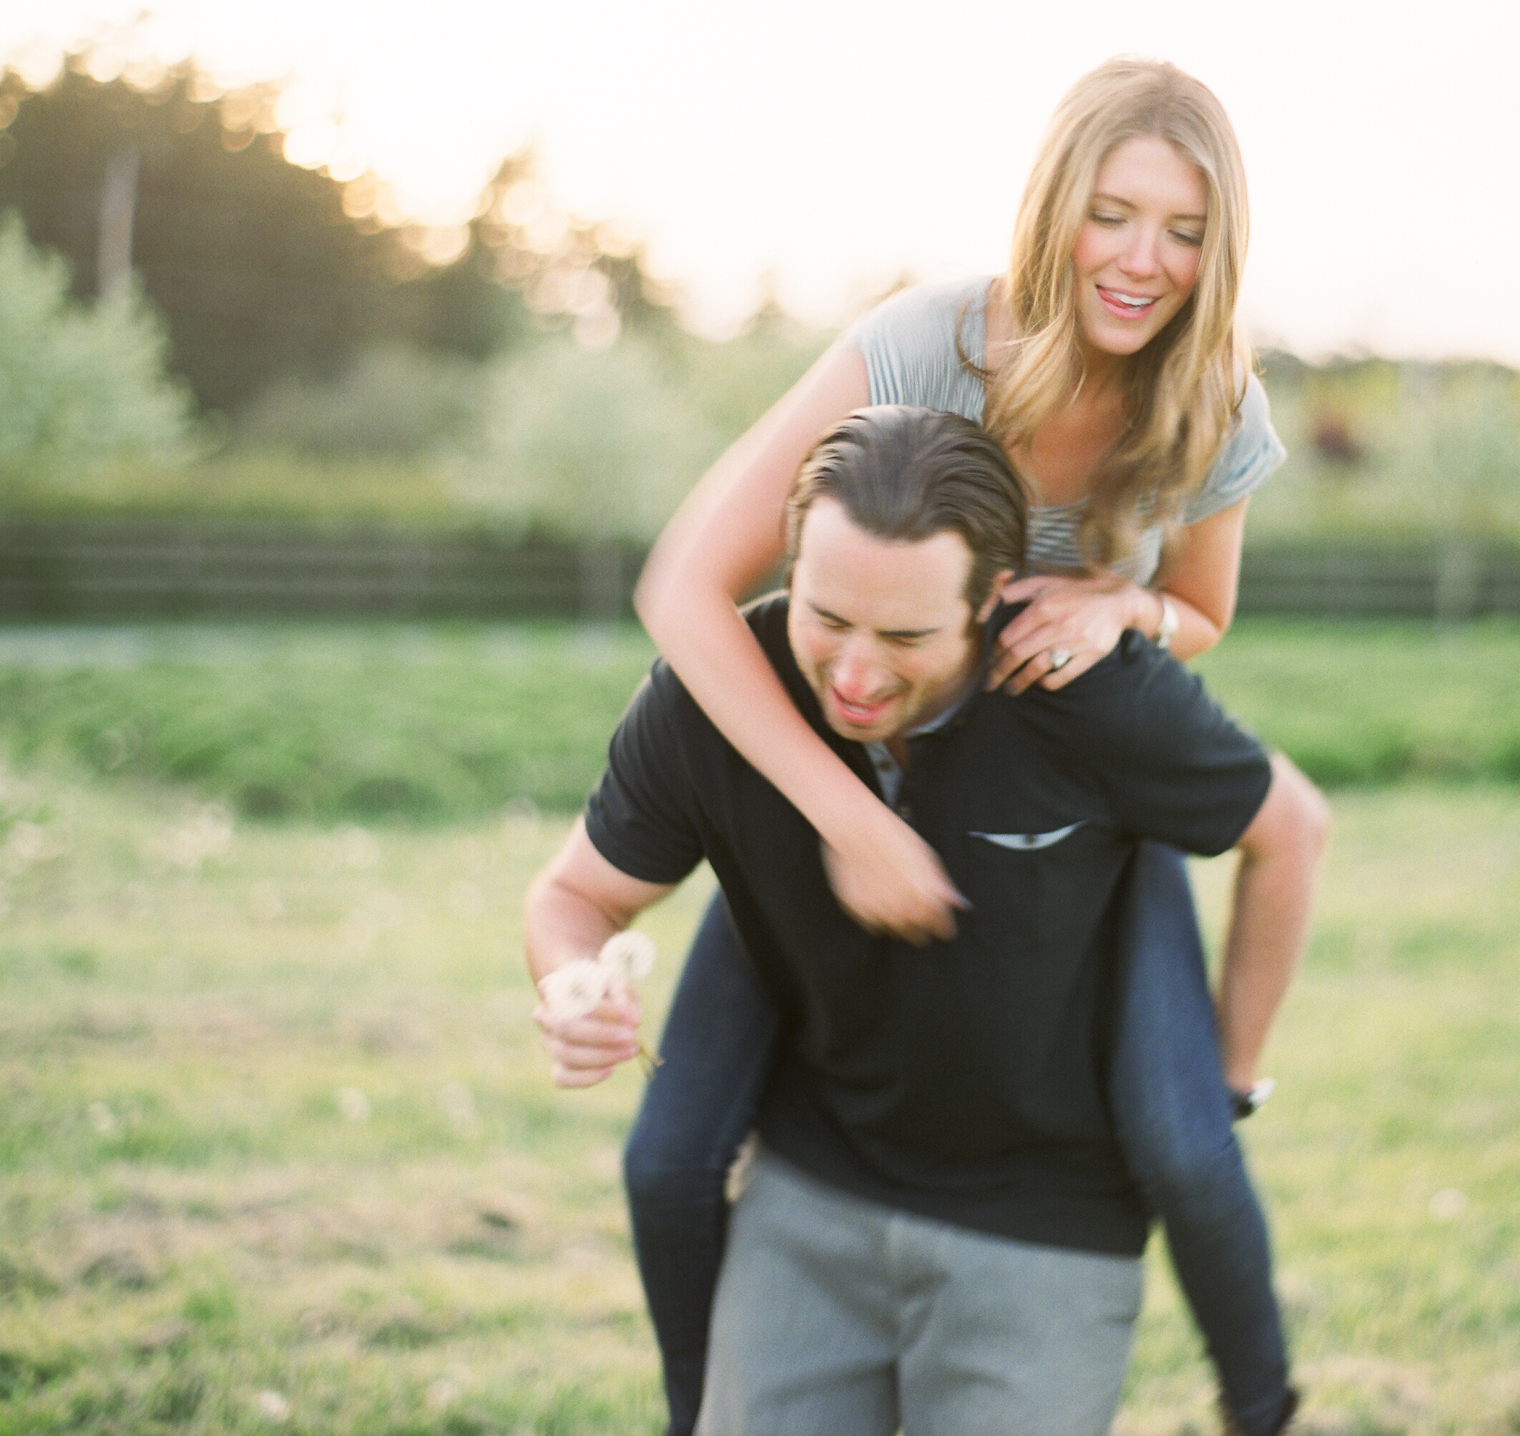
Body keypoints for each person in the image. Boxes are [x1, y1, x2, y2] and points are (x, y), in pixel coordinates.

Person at [628, 57, 1301, 1436]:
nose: (1143, 261)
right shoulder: (928, 346)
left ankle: (1268, 1405)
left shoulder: (1213, 402)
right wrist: (845, 818)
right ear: (1056, 203)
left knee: (1185, 1139)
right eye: (1114, 214)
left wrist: (1130, 603)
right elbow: (684, 588)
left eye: (1185, 231)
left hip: (1070, 814)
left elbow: (1203, 617)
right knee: (676, 1153)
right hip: (847, 785)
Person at [527, 407, 1326, 1436]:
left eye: (904, 635)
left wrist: (1224, 1079)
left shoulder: (1082, 690)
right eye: (825, 618)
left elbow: (1291, 826)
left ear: (991, 598)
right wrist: (566, 980)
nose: (854, 676)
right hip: (810, 1198)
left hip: (1045, 1226)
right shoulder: (710, 701)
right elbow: (573, 895)